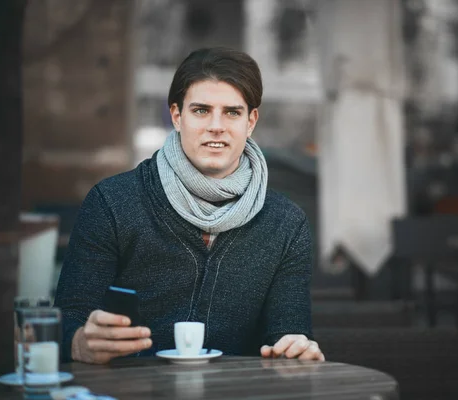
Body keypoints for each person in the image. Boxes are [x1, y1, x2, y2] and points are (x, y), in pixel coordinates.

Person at [54, 47, 324, 364]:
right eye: (201, 110)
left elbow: (287, 334)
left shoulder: (286, 224)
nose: (216, 126)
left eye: (232, 112)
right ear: (177, 116)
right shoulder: (112, 202)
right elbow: (67, 321)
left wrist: (296, 348)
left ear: (251, 121)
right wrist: (79, 343)